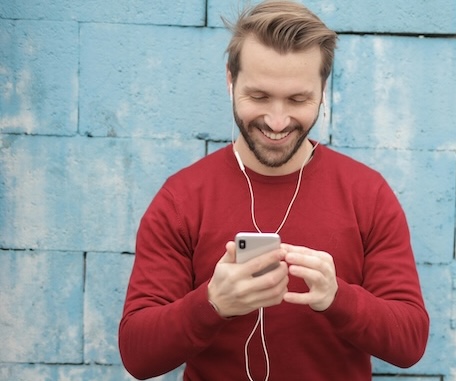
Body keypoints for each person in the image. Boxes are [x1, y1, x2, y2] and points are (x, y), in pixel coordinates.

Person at [118, 1, 429, 380]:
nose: (277, 121)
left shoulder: (368, 194)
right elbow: (137, 354)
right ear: (230, 80)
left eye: (298, 99)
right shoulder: (181, 199)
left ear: (323, 90)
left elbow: (410, 342)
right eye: (259, 97)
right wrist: (212, 303)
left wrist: (338, 298)